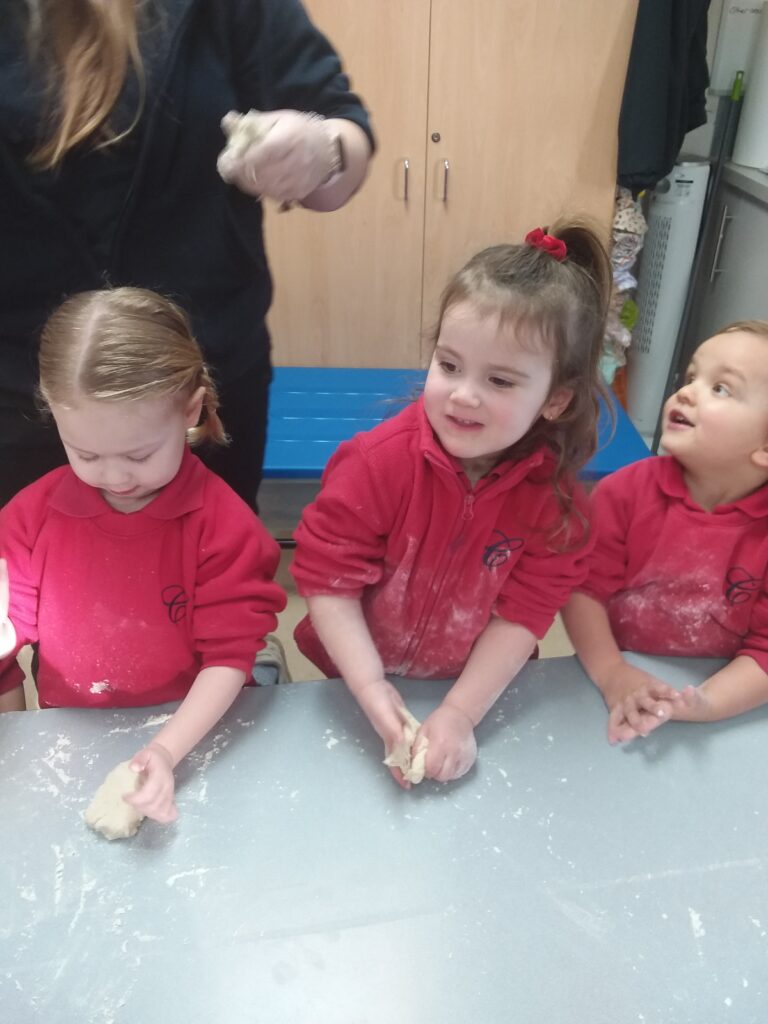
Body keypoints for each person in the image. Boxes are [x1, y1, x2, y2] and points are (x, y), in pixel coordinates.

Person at [0, 0, 374, 510]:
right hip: (19, 400)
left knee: (211, 573)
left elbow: (342, 129)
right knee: (29, 579)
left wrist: (321, 150)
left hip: (202, 390)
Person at [290, 224, 612, 786]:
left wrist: (461, 713)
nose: (464, 395)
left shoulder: (555, 504)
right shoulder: (376, 465)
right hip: (348, 669)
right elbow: (328, 581)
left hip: (470, 682)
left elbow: (524, 614)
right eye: (450, 365)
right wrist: (369, 686)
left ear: (555, 399)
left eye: (501, 380)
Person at [0, 287, 286, 824]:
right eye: (85, 453)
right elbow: (5, 647)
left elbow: (228, 657)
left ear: (190, 410)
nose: (113, 476)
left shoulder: (222, 529)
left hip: (195, 730)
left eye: (138, 454)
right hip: (72, 733)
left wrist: (164, 751)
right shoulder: (29, 519)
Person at [562, 320, 768, 744]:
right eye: (692, 377)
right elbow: (582, 592)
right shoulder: (623, 493)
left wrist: (707, 705)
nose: (686, 392)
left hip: (723, 699)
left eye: (721, 389)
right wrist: (613, 673)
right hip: (611, 681)